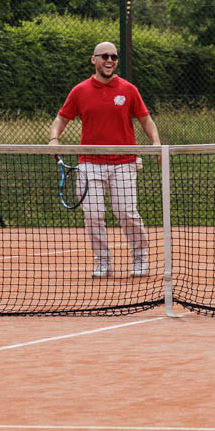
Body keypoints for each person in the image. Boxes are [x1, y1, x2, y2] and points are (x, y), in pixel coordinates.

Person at [47, 41, 161, 278]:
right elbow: (61, 119)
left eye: (114, 57)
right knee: (92, 214)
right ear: (94, 60)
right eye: (104, 56)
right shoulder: (79, 91)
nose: (110, 60)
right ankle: (103, 262)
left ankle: (140, 258)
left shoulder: (129, 90)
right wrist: (53, 139)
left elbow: (145, 119)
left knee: (126, 212)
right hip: (89, 163)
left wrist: (156, 144)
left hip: (124, 163)